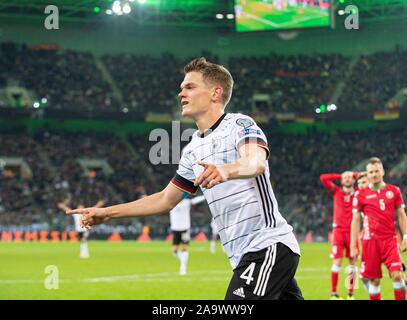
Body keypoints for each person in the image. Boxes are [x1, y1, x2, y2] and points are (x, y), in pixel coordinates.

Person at [67, 57, 303, 300]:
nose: (181, 93)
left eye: (190, 87)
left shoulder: (240, 124)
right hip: (242, 254)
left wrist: (225, 170)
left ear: (215, 93)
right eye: (181, 88)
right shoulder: (192, 149)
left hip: (267, 246)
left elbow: (255, 162)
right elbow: (165, 200)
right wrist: (107, 213)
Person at [351, 157, 407, 300]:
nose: (374, 174)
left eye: (377, 171)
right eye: (371, 172)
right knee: (374, 281)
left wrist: (406, 236)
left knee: (397, 275)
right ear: (367, 175)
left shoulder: (394, 191)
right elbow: (356, 221)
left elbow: (401, 215)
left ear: (382, 171)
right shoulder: (360, 194)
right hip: (370, 242)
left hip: (390, 241)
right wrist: (353, 245)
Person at [320, 171, 359, 300]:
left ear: (354, 180)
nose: (347, 179)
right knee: (337, 261)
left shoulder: (358, 193)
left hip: (353, 233)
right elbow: (323, 178)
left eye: (350, 178)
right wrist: (340, 176)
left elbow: (367, 180)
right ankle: (334, 293)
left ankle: (350, 294)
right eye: (345, 178)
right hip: (338, 232)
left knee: (352, 263)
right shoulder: (336, 191)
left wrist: (355, 174)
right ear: (342, 180)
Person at [170, 194, 205, 275]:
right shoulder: (171, 203)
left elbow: (195, 200)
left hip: (185, 229)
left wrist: (204, 196)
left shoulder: (187, 202)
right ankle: (183, 262)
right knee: (174, 251)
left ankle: (183, 267)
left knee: (184, 248)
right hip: (175, 229)